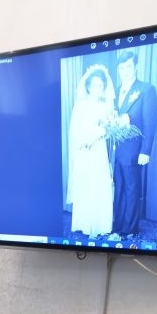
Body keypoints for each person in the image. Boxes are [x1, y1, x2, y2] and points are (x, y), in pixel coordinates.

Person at [112, 50, 157, 237]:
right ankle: (118, 225)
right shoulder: (114, 91)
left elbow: (150, 122)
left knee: (132, 189)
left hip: (134, 151)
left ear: (135, 67)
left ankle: (129, 229)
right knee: (119, 188)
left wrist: (145, 151)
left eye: (129, 66)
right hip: (116, 151)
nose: (125, 71)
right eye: (122, 68)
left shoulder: (146, 89)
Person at [68, 64, 116, 237]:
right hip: (84, 150)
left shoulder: (105, 107)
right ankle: (84, 223)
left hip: (99, 150)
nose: (98, 89)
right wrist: (84, 141)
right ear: (88, 86)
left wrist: (100, 132)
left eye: (100, 86)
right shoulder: (80, 106)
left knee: (98, 184)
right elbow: (75, 130)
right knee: (85, 184)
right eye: (94, 85)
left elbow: (108, 129)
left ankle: (100, 224)